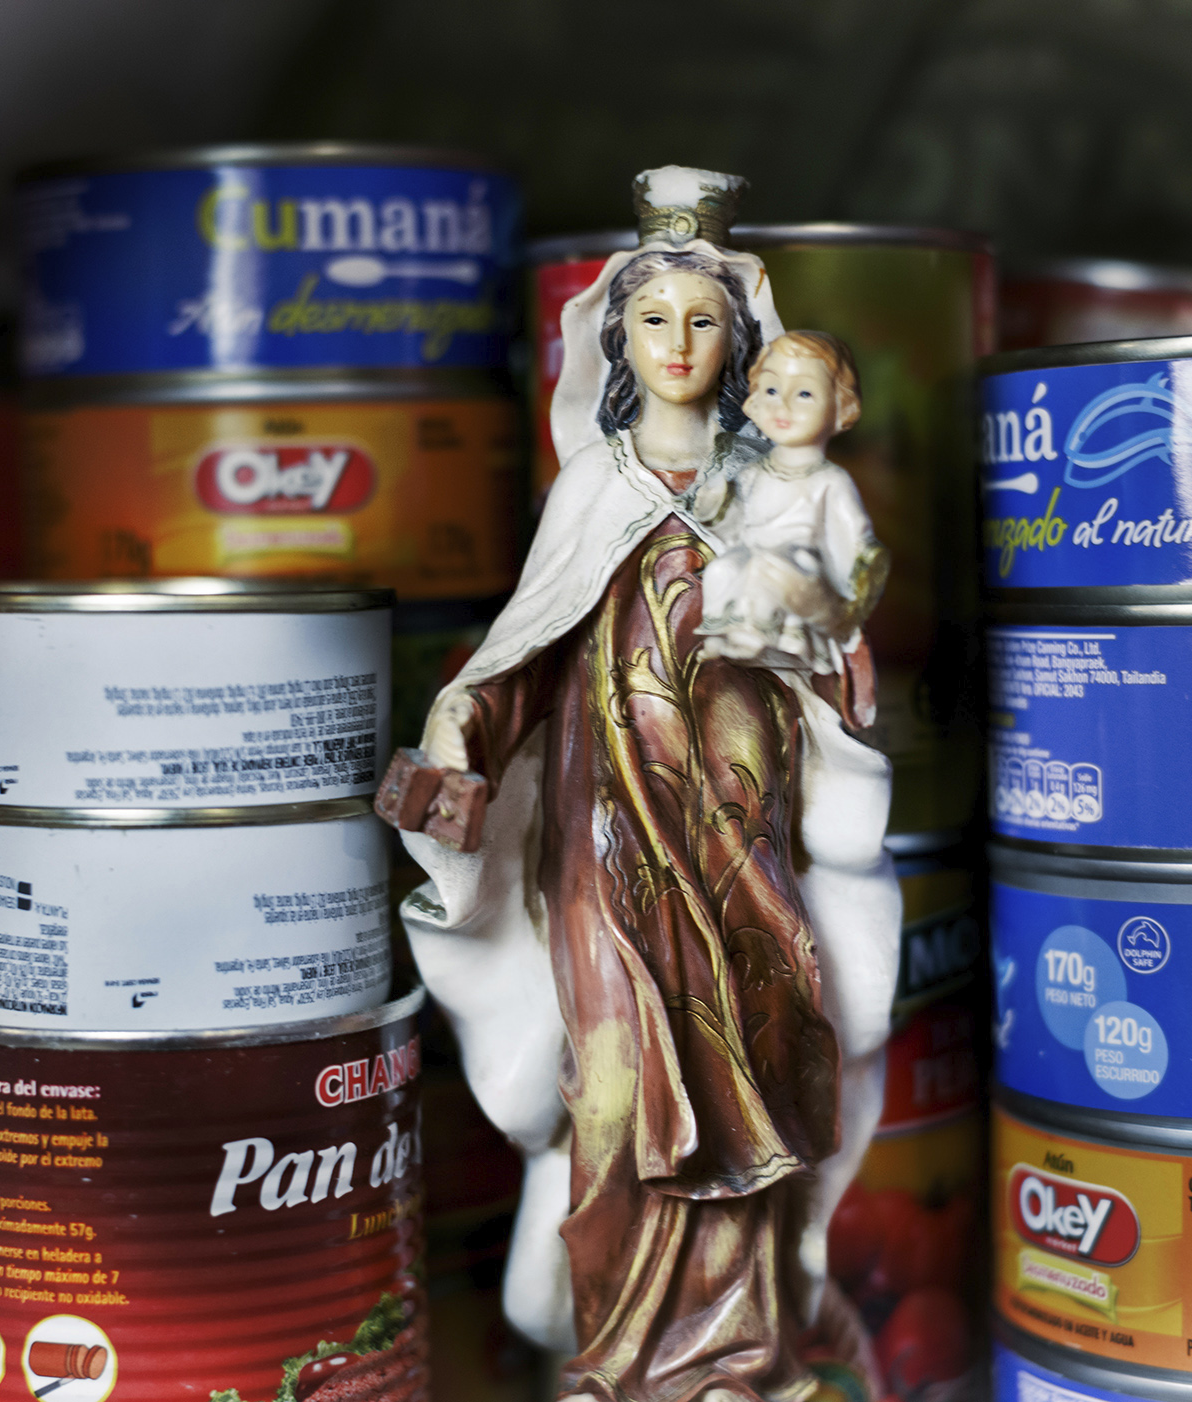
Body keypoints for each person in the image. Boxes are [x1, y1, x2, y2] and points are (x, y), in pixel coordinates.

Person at [385, 168, 898, 1402]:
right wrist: (464, 720)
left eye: (704, 320)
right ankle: (621, 1359)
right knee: (618, 1088)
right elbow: (525, 649)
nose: (679, 343)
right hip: (605, 838)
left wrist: (823, 633)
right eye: (655, 319)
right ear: (617, 336)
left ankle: (736, 1358)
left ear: (742, 342)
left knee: (755, 1076)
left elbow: (840, 648)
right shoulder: (593, 490)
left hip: (741, 833)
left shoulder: (772, 489)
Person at [695, 330, 888, 677]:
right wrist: (719, 504)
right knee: (722, 569)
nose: (781, 404)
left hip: (799, 560)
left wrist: (852, 587)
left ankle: (767, 636)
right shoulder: (754, 472)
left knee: (766, 569)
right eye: (771, 389)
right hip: (753, 551)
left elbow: (856, 542)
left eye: (803, 393)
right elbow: (736, 526)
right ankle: (723, 633)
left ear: (839, 406)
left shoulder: (829, 480)